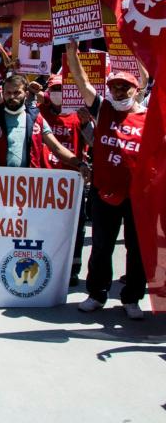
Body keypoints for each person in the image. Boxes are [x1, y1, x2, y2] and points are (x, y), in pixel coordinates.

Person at [64, 41, 147, 320]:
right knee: (101, 246)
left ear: (137, 90)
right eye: (115, 87)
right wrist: (71, 52)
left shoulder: (150, 118)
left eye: (125, 87)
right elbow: (81, 80)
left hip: (137, 196)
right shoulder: (103, 109)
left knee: (136, 250)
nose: (119, 91)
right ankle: (96, 294)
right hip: (104, 192)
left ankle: (132, 297)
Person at [30, 74, 90, 285]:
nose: (59, 94)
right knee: (44, 225)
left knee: (74, 225)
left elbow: (94, 142)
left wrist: (87, 125)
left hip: (71, 181)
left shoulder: (79, 115)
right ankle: (44, 263)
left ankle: (73, 268)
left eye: (63, 90)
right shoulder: (39, 112)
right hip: (45, 179)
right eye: (55, 89)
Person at [0, 75, 90, 175]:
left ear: (26, 93)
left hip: (29, 187)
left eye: (17, 92)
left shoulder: (36, 119)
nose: (12, 97)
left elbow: (56, 148)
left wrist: (79, 164)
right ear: (3, 93)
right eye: (8, 93)